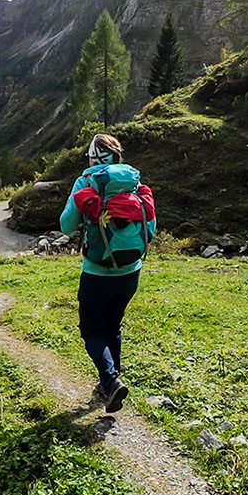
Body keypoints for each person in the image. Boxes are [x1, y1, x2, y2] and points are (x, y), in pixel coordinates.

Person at [59, 134, 156, 413]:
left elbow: (66, 226)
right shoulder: (135, 184)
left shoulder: (85, 182)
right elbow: (151, 230)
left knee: (91, 330)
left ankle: (111, 381)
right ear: (117, 157)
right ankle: (110, 382)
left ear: (92, 158)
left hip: (97, 272)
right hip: (130, 272)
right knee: (113, 326)